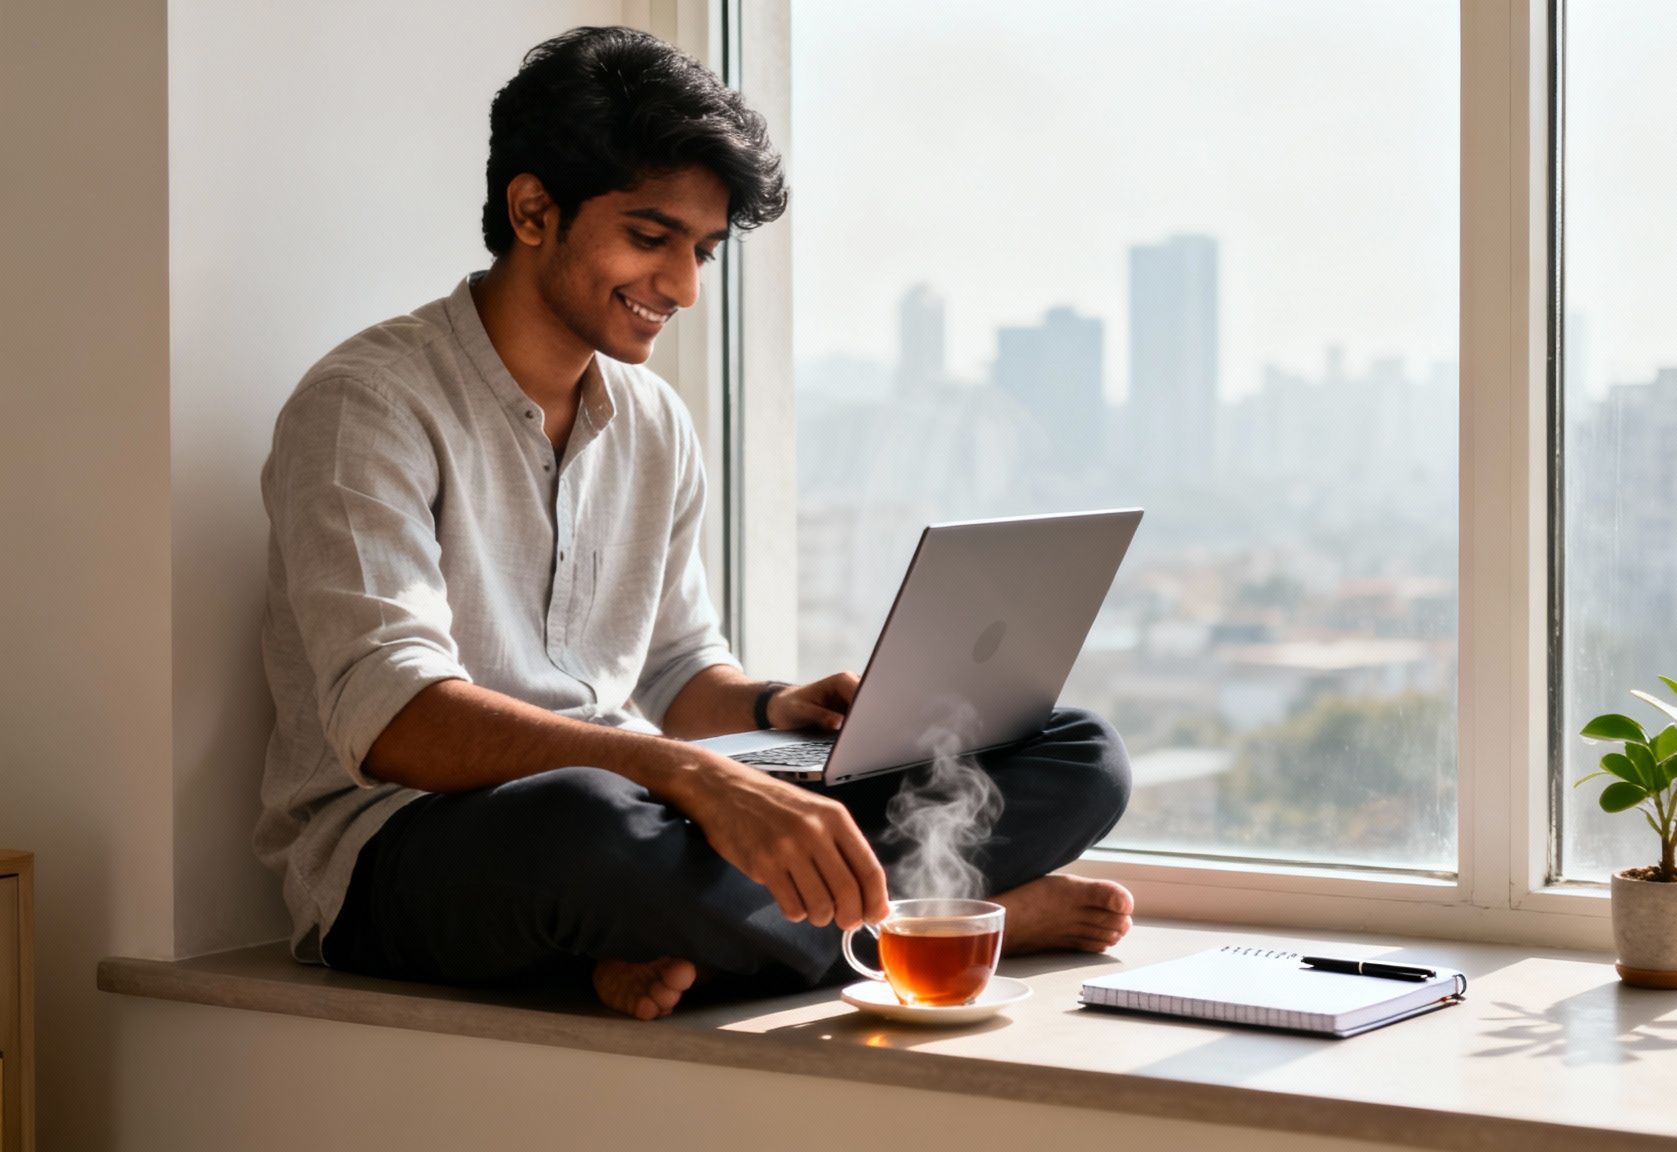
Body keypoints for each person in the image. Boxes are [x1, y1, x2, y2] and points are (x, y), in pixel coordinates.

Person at [253, 25, 1134, 1020]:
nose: (681, 287)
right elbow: (393, 717)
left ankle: (711, 940)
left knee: (1071, 748)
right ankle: (955, 916)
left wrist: (772, 711)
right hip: (420, 846)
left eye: (702, 251)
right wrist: (688, 779)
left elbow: (674, 671)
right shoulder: (365, 405)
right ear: (533, 209)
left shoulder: (653, 422)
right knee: (589, 829)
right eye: (649, 236)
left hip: (643, 803)